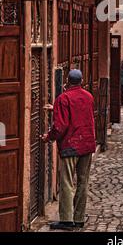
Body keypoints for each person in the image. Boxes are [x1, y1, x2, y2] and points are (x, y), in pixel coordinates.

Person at [41, 69, 96, 231]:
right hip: (87, 144)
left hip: (71, 146)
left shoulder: (62, 99)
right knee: (83, 182)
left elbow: (60, 126)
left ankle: (66, 220)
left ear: (67, 81)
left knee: (66, 182)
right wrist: (56, 109)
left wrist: (48, 137)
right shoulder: (89, 97)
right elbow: (80, 113)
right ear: (81, 80)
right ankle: (79, 218)